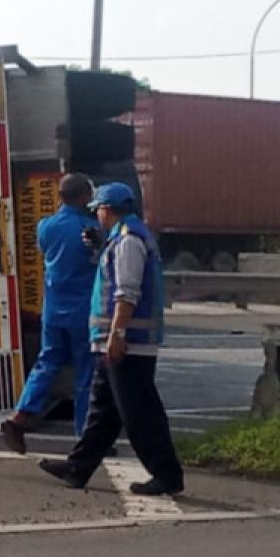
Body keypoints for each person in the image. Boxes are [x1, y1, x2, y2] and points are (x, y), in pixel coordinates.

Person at [38, 182, 185, 496]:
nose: (96, 216)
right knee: (103, 411)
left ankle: (166, 474)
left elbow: (126, 293)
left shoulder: (129, 241)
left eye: (98, 210)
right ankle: (78, 467)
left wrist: (117, 333)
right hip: (115, 340)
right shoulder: (124, 237)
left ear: (108, 208)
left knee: (139, 413)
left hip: (127, 342)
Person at [1, 173, 101, 453]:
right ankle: (85, 435)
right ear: (84, 197)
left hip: (53, 308)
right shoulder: (90, 228)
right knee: (86, 373)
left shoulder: (46, 226)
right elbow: (102, 258)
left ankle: (20, 415)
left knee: (46, 363)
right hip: (83, 310)